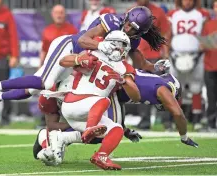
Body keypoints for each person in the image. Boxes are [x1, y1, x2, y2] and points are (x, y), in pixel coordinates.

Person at [0, 6, 169, 111]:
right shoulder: (112, 21)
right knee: (45, 81)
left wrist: (156, 68)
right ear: (126, 17)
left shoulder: (133, 41)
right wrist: (101, 45)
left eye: (133, 29)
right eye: (128, 25)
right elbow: (84, 39)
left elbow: (141, 64)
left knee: (35, 90)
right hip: (70, 46)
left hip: (80, 64)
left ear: (140, 32)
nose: (127, 29)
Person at [34, 70, 198, 167]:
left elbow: (120, 104)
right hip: (102, 89)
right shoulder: (163, 88)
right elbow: (178, 113)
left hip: (108, 91)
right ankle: (60, 138)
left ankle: (49, 138)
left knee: (108, 130)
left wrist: (125, 129)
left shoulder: (153, 82)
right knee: (106, 131)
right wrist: (184, 136)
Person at [53, 31, 140, 170]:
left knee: (117, 129)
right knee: (104, 101)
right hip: (74, 103)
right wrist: (79, 60)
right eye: (120, 45)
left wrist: (123, 81)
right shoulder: (94, 52)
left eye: (125, 46)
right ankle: (89, 129)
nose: (122, 49)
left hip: (90, 113)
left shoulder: (125, 68)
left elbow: (136, 97)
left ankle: (101, 156)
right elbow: (62, 61)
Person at [128, 0, 171, 130]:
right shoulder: (131, 11)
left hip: (156, 55)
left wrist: (166, 51)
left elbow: (166, 32)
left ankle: (166, 121)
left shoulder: (158, 11)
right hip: (138, 56)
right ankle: (145, 120)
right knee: (141, 88)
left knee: (163, 88)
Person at [167, 0, 210, 130]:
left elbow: (206, 31)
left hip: (196, 54)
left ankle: (196, 119)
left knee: (196, 87)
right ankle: (177, 119)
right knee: (176, 87)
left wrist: (205, 44)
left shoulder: (202, 14)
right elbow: (168, 33)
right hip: (176, 54)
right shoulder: (173, 13)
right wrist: (166, 47)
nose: (187, 2)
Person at [201, 0, 217, 130]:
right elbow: (202, 45)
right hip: (210, 66)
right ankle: (211, 123)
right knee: (211, 97)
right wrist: (204, 44)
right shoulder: (208, 24)